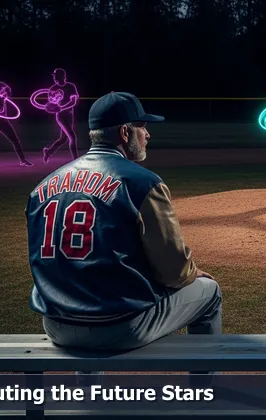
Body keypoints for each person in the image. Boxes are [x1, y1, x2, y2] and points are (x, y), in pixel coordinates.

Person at [25, 92, 222, 351]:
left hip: (55, 324)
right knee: (210, 291)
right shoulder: (143, 183)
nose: (147, 135)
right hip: (118, 327)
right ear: (125, 133)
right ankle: (204, 388)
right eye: (142, 127)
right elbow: (173, 271)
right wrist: (192, 273)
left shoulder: (43, 186)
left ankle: (87, 388)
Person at [41, 68, 80, 163]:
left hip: (70, 115)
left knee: (63, 139)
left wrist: (61, 107)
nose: (54, 78)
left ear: (62, 76)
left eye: (56, 76)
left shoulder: (71, 86)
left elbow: (73, 102)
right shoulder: (53, 89)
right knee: (72, 137)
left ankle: (48, 152)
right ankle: (76, 160)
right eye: (54, 77)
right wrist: (52, 108)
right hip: (61, 116)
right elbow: (50, 105)